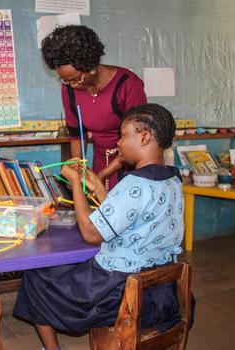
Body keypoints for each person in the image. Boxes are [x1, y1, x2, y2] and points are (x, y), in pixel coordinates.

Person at [13, 103, 189, 350]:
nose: (118, 143)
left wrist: (75, 184)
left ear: (145, 137)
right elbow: (130, 214)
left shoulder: (134, 183)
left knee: (36, 277)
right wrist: (97, 187)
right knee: (66, 269)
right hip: (159, 290)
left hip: (118, 291)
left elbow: (91, 234)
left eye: (124, 135)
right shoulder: (170, 178)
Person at [41, 25, 147, 189]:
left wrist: (102, 175)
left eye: (76, 78)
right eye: (66, 80)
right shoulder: (69, 89)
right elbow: (77, 134)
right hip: (100, 161)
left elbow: (138, 139)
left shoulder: (128, 85)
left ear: (91, 66)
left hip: (129, 163)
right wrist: (78, 170)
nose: (72, 84)